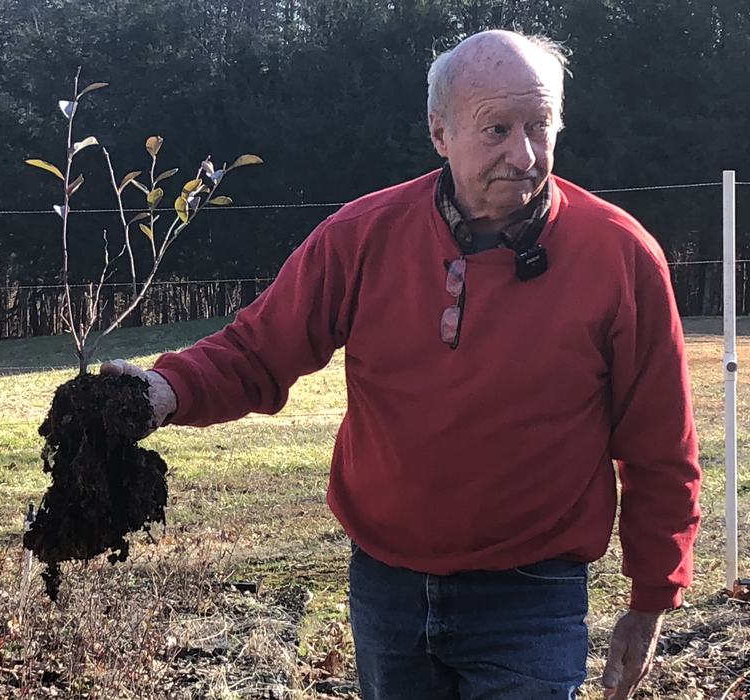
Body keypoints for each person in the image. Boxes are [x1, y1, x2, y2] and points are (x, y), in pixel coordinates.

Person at [103, 29, 701, 700]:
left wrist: (652, 596)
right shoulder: (362, 237)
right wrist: (161, 391)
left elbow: (660, 445)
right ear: (438, 132)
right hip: (386, 587)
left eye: (540, 126)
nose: (524, 154)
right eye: (496, 129)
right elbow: (256, 350)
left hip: (531, 597)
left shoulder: (618, 257)